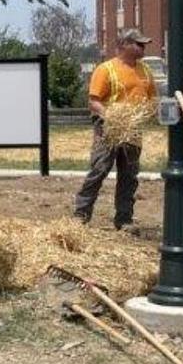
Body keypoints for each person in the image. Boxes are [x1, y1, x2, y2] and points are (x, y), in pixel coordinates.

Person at [75, 28, 158, 230]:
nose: (143, 48)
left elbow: (152, 101)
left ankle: (124, 219)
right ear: (124, 45)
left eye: (143, 44)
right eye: (138, 44)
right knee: (99, 170)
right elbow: (94, 102)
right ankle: (81, 215)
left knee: (129, 176)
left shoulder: (145, 71)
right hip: (109, 128)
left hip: (133, 131)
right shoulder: (106, 69)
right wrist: (113, 117)